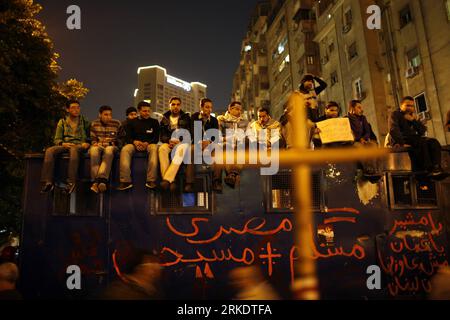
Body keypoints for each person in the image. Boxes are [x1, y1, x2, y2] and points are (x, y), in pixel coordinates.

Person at [40, 100, 90, 194]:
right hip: (66, 144)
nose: (76, 110)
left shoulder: (84, 121)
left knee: (74, 150)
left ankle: (71, 182)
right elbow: (57, 139)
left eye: (78, 107)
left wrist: (87, 142)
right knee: (50, 150)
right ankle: (48, 182)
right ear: (67, 109)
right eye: (73, 108)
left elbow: (90, 135)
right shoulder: (62, 122)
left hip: (79, 145)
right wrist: (63, 143)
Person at [388, 96, 445, 178]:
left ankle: (436, 167)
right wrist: (401, 143)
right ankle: (427, 169)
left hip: (415, 139)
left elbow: (422, 131)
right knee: (421, 142)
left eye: (412, 106)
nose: (410, 108)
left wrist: (413, 120)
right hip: (402, 140)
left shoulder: (413, 116)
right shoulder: (395, 114)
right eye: (407, 105)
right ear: (401, 106)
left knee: (433, 142)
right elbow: (393, 130)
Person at [118, 101, 160, 191]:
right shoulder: (132, 122)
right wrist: (135, 142)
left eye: (149, 111)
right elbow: (127, 137)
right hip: (134, 144)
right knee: (125, 149)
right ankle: (125, 181)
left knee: (154, 148)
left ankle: (151, 180)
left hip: (149, 144)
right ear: (139, 111)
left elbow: (156, 138)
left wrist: (147, 143)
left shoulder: (155, 122)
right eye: (144, 111)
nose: (147, 113)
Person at [280, 74, 327, 149]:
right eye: (308, 81)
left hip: (313, 117)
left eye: (312, 81)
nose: (310, 83)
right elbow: (290, 107)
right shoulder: (296, 94)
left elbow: (324, 85)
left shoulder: (313, 92)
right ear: (303, 82)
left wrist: (314, 77)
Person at [185, 98, 221, 193]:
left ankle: (216, 181)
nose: (209, 110)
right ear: (201, 107)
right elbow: (193, 133)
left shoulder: (214, 120)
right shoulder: (195, 117)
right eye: (207, 107)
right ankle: (189, 182)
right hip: (197, 143)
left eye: (211, 108)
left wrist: (208, 142)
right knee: (191, 150)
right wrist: (201, 142)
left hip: (210, 144)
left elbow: (216, 137)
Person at [159, 97, 192, 192]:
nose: (175, 106)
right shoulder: (164, 118)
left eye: (178, 104)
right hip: (169, 143)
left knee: (181, 148)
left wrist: (180, 141)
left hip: (182, 143)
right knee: (162, 149)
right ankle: (171, 180)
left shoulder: (186, 117)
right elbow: (162, 136)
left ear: (180, 106)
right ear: (169, 105)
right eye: (173, 104)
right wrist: (169, 140)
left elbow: (190, 133)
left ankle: (166, 179)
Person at [89, 106, 122, 193]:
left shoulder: (117, 123)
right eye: (106, 115)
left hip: (112, 146)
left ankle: (100, 180)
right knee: (93, 150)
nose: (108, 117)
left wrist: (109, 143)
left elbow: (120, 140)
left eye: (110, 115)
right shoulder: (94, 124)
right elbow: (92, 139)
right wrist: (95, 143)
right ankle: (97, 181)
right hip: (99, 145)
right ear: (100, 115)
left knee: (109, 150)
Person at [217, 101, 249, 189]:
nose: (239, 112)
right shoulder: (222, 120)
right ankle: (233, 174)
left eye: (240, 110)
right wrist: (228, 138)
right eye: (237, 109)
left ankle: (232, 175)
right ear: (230, 109)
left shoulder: (245, 122)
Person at [347, 100, 382, 180]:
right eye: (359, 107)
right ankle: (368, 170)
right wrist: (359, 139)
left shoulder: (363, 118)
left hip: (364, 140)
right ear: (352, 108)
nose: (361, 110)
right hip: (354, 142)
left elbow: (367, 131)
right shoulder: (347, 119)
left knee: (373, 145)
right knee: (359, 147)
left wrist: (364, 138)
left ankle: (375, 170)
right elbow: (350, 133)